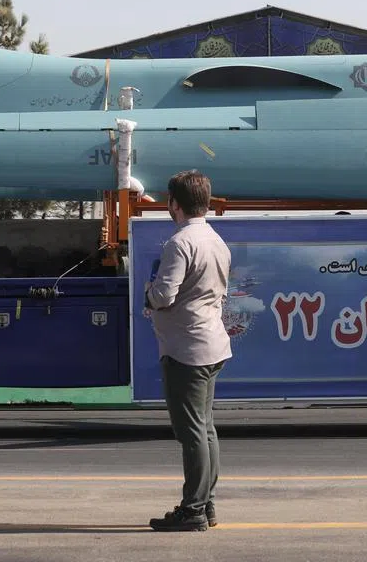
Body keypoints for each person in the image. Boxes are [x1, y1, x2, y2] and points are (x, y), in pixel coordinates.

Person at [144, 170, 232, 532]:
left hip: (186, 349)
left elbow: (164, 295)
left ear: (174, 204)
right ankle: (206, 503)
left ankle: (193, 508)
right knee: (205, 429)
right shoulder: (216, 240)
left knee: (191, 432)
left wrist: (148, 293)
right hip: (211, 344)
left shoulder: (180, 243)